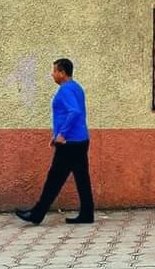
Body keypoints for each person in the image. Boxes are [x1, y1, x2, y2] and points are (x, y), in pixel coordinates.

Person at [15, 58, 94, 225]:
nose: (52, 74)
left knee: (54, 179)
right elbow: (71, 113)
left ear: (62, 73)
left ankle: (37, 214)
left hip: (69, 143)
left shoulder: (65, 90)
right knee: (82, 178)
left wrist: (62, 134)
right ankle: (87, 213)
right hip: (80, 140)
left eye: (54, 71)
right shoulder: (76, 87)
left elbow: (74, 112)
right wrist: (56, 134)